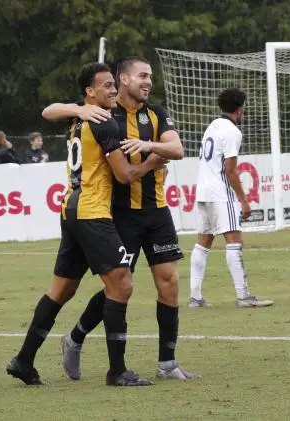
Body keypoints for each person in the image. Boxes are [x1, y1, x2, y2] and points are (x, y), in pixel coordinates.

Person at [7, 62, 164, 387]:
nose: (112, 90)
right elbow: (124, 174)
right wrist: (152, 161)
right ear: (90, 91)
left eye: (112, 85)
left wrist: (79, 107)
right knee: (121, 284)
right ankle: (117, 371)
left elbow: (48, 110)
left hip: (71, 207)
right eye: (106, 86)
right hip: (92, 211)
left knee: (61, 289)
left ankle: (24, 360)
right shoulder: (104, 121)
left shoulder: (81, 117)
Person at [42, 56, 200, 381]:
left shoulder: (156, 114)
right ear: (124, 79)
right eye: (143, 76)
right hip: (119, 215)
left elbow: (178, 149)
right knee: (119, 285)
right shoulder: (104, 111)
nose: (148, 82)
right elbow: (49, 112)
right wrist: (79, 109)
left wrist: (148, 144)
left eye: (150, 77)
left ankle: (167, 363)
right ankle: (76, 337)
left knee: (169, 281)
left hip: (156, 211)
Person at [188, 88, 274, 309]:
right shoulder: (232, 131)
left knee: (203, 243)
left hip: (203, 192)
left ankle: (195, 297)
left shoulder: (212, 126)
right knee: (234, 241)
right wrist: (244, 200)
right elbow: (231, 170)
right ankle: (243, 296)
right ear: (240, 108)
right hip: (220, 193)